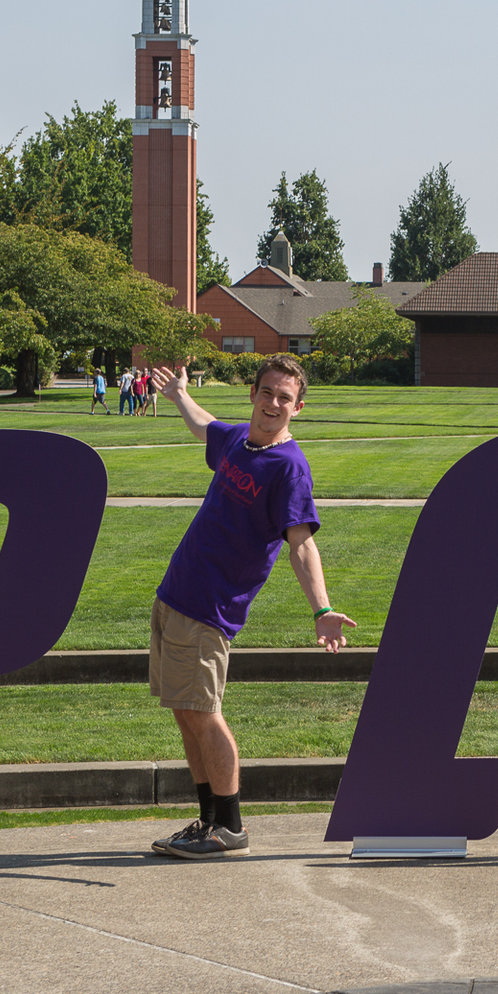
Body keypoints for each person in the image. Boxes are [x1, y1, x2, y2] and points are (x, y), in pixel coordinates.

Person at [145, 355, 355, 859]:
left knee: (205, 713)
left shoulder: (289, 468)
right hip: (177, 594)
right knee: (185, 712)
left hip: (210, 608)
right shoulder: (239, 440)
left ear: (297, 408)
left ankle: (231, 826)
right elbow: (205, 427)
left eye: (285, 397)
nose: (274, 403)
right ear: (254, 395)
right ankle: (208, 820)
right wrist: (177, 395)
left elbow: (301, 543)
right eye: (267, 392)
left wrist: (321, 609)